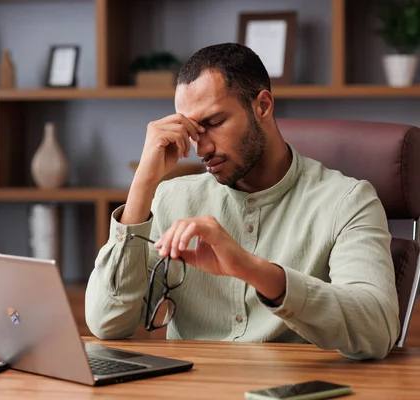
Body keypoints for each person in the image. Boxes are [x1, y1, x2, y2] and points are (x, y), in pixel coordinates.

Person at [84, 43, 400, 360]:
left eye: (214, 123)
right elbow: (108, 324)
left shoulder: (348, 201)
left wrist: (254, 270)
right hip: (189, 389)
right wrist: (143, 184)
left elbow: (377, 331)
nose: (201, 149)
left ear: (262, 106)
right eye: (193, 131)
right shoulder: (173, 198)